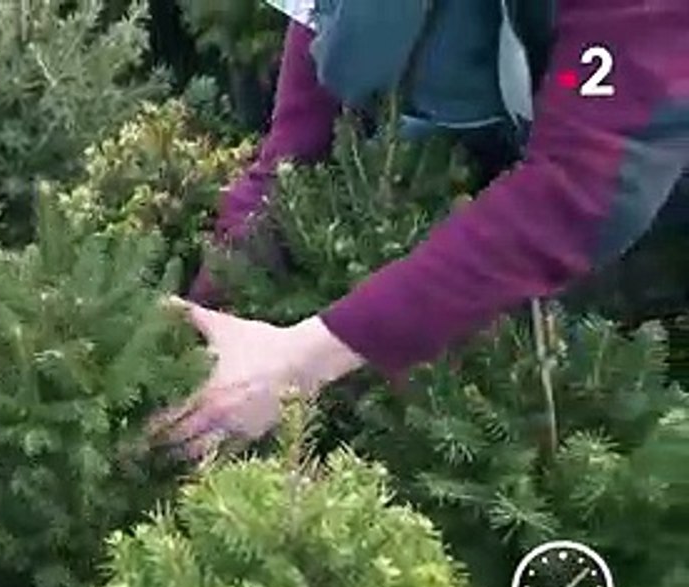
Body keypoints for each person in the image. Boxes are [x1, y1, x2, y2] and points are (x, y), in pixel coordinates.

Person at [154, 0, 689, 459]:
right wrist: (226, 280)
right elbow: (305, 122)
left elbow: (581, 187)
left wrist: (304, 358)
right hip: (497, 140)